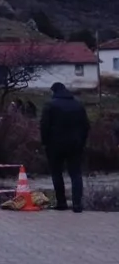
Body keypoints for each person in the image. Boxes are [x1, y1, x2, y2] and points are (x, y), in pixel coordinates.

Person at [40, 83, 91, 212]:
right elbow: (86, 126)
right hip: (75, 144)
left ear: (54, 91)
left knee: (56, 173)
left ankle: (61, 202)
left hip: (54, 145)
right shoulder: (78, 105)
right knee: (76, 174)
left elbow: (44, 125)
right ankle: (77, 204)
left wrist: (45, 142)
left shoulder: (50, 105)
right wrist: (82, 142)